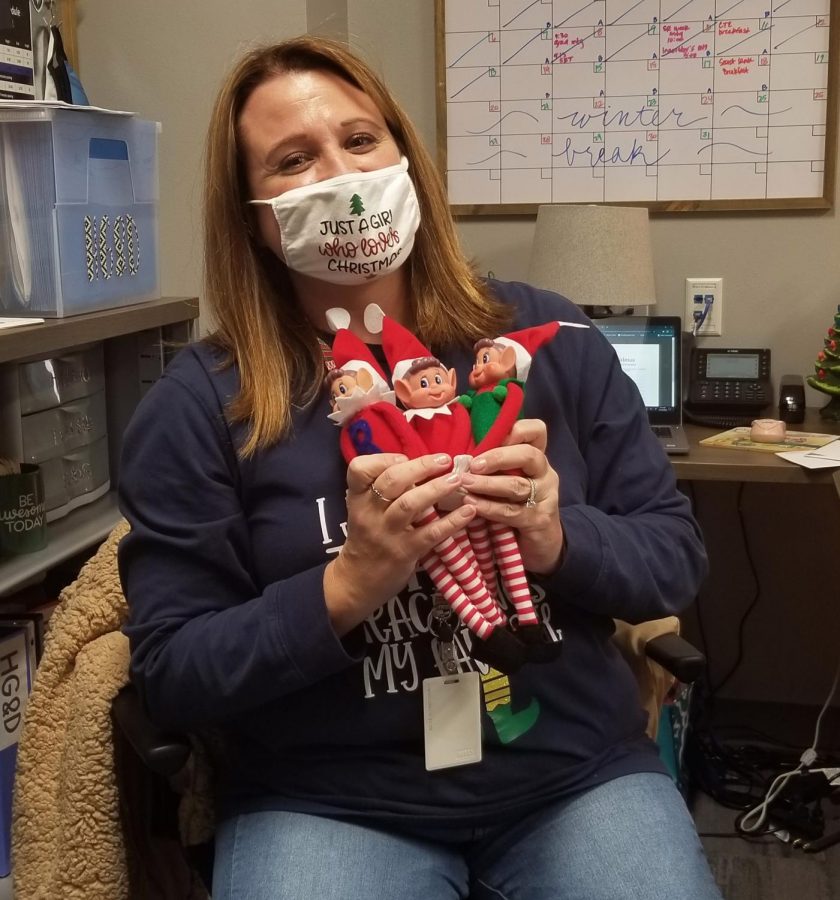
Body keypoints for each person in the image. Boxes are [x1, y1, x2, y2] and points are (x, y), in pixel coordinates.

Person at [117, 35, 723, 900]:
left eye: (360, 141)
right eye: (295, 160)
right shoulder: (201, 404)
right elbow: (173, 671)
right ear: (253, 215)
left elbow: (674, 555)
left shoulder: (547, 341)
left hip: (570, 777)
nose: (340, 174)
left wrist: (555, 535)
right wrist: (347, 588)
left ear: (406, 157)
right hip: (328, 800)